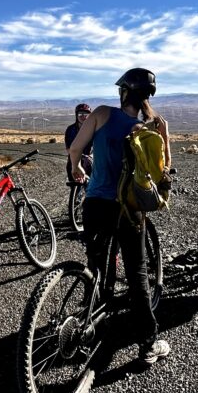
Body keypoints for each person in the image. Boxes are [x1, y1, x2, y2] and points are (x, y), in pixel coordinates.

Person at [69, 68, 173, 365]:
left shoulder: (102, 114)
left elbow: (77, 148)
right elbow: (162, 170)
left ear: (123, 92)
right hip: (129, 207)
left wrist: (77, 168)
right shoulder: (153, 125)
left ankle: (93, 321)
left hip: (96, 202)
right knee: (137, 271)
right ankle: (148, 344)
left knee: (96, 264)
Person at [64, 103, 93, 182]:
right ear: (76, 115)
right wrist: (79, 156)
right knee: (75, 187)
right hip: (73, 162)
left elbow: (97, 147)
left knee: (91, 188)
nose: (83, 116)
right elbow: (68, 148)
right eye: (80, 114)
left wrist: (90, 156)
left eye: (86, 114)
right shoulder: (70, 129)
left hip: (90, 162)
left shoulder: (94, 130)